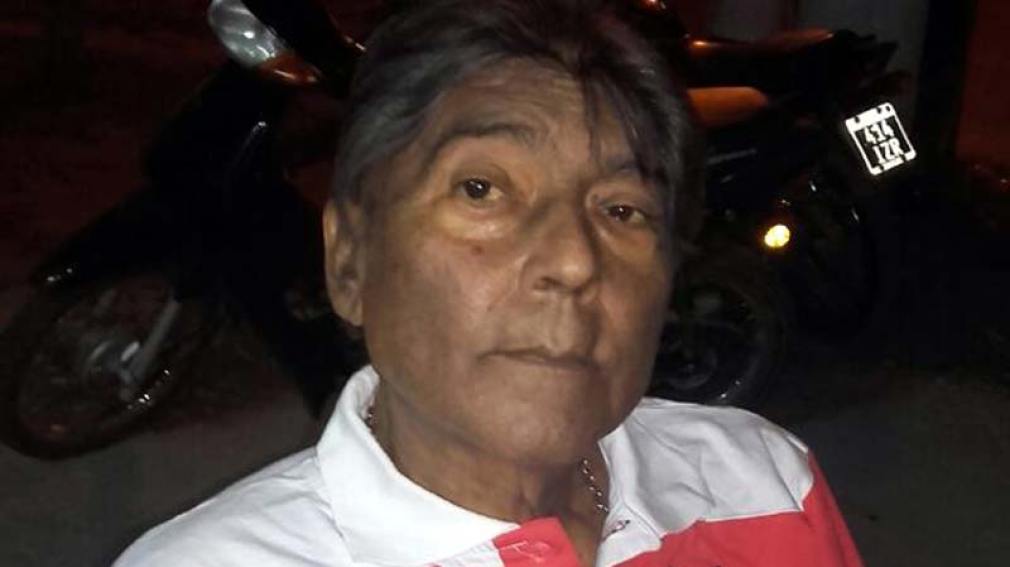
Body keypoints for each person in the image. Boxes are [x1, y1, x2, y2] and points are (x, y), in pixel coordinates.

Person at [114, 0, 863, 565]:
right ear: (350, 261)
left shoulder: (762, 483)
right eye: (481, 189)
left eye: (622, 209)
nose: (574, 261)